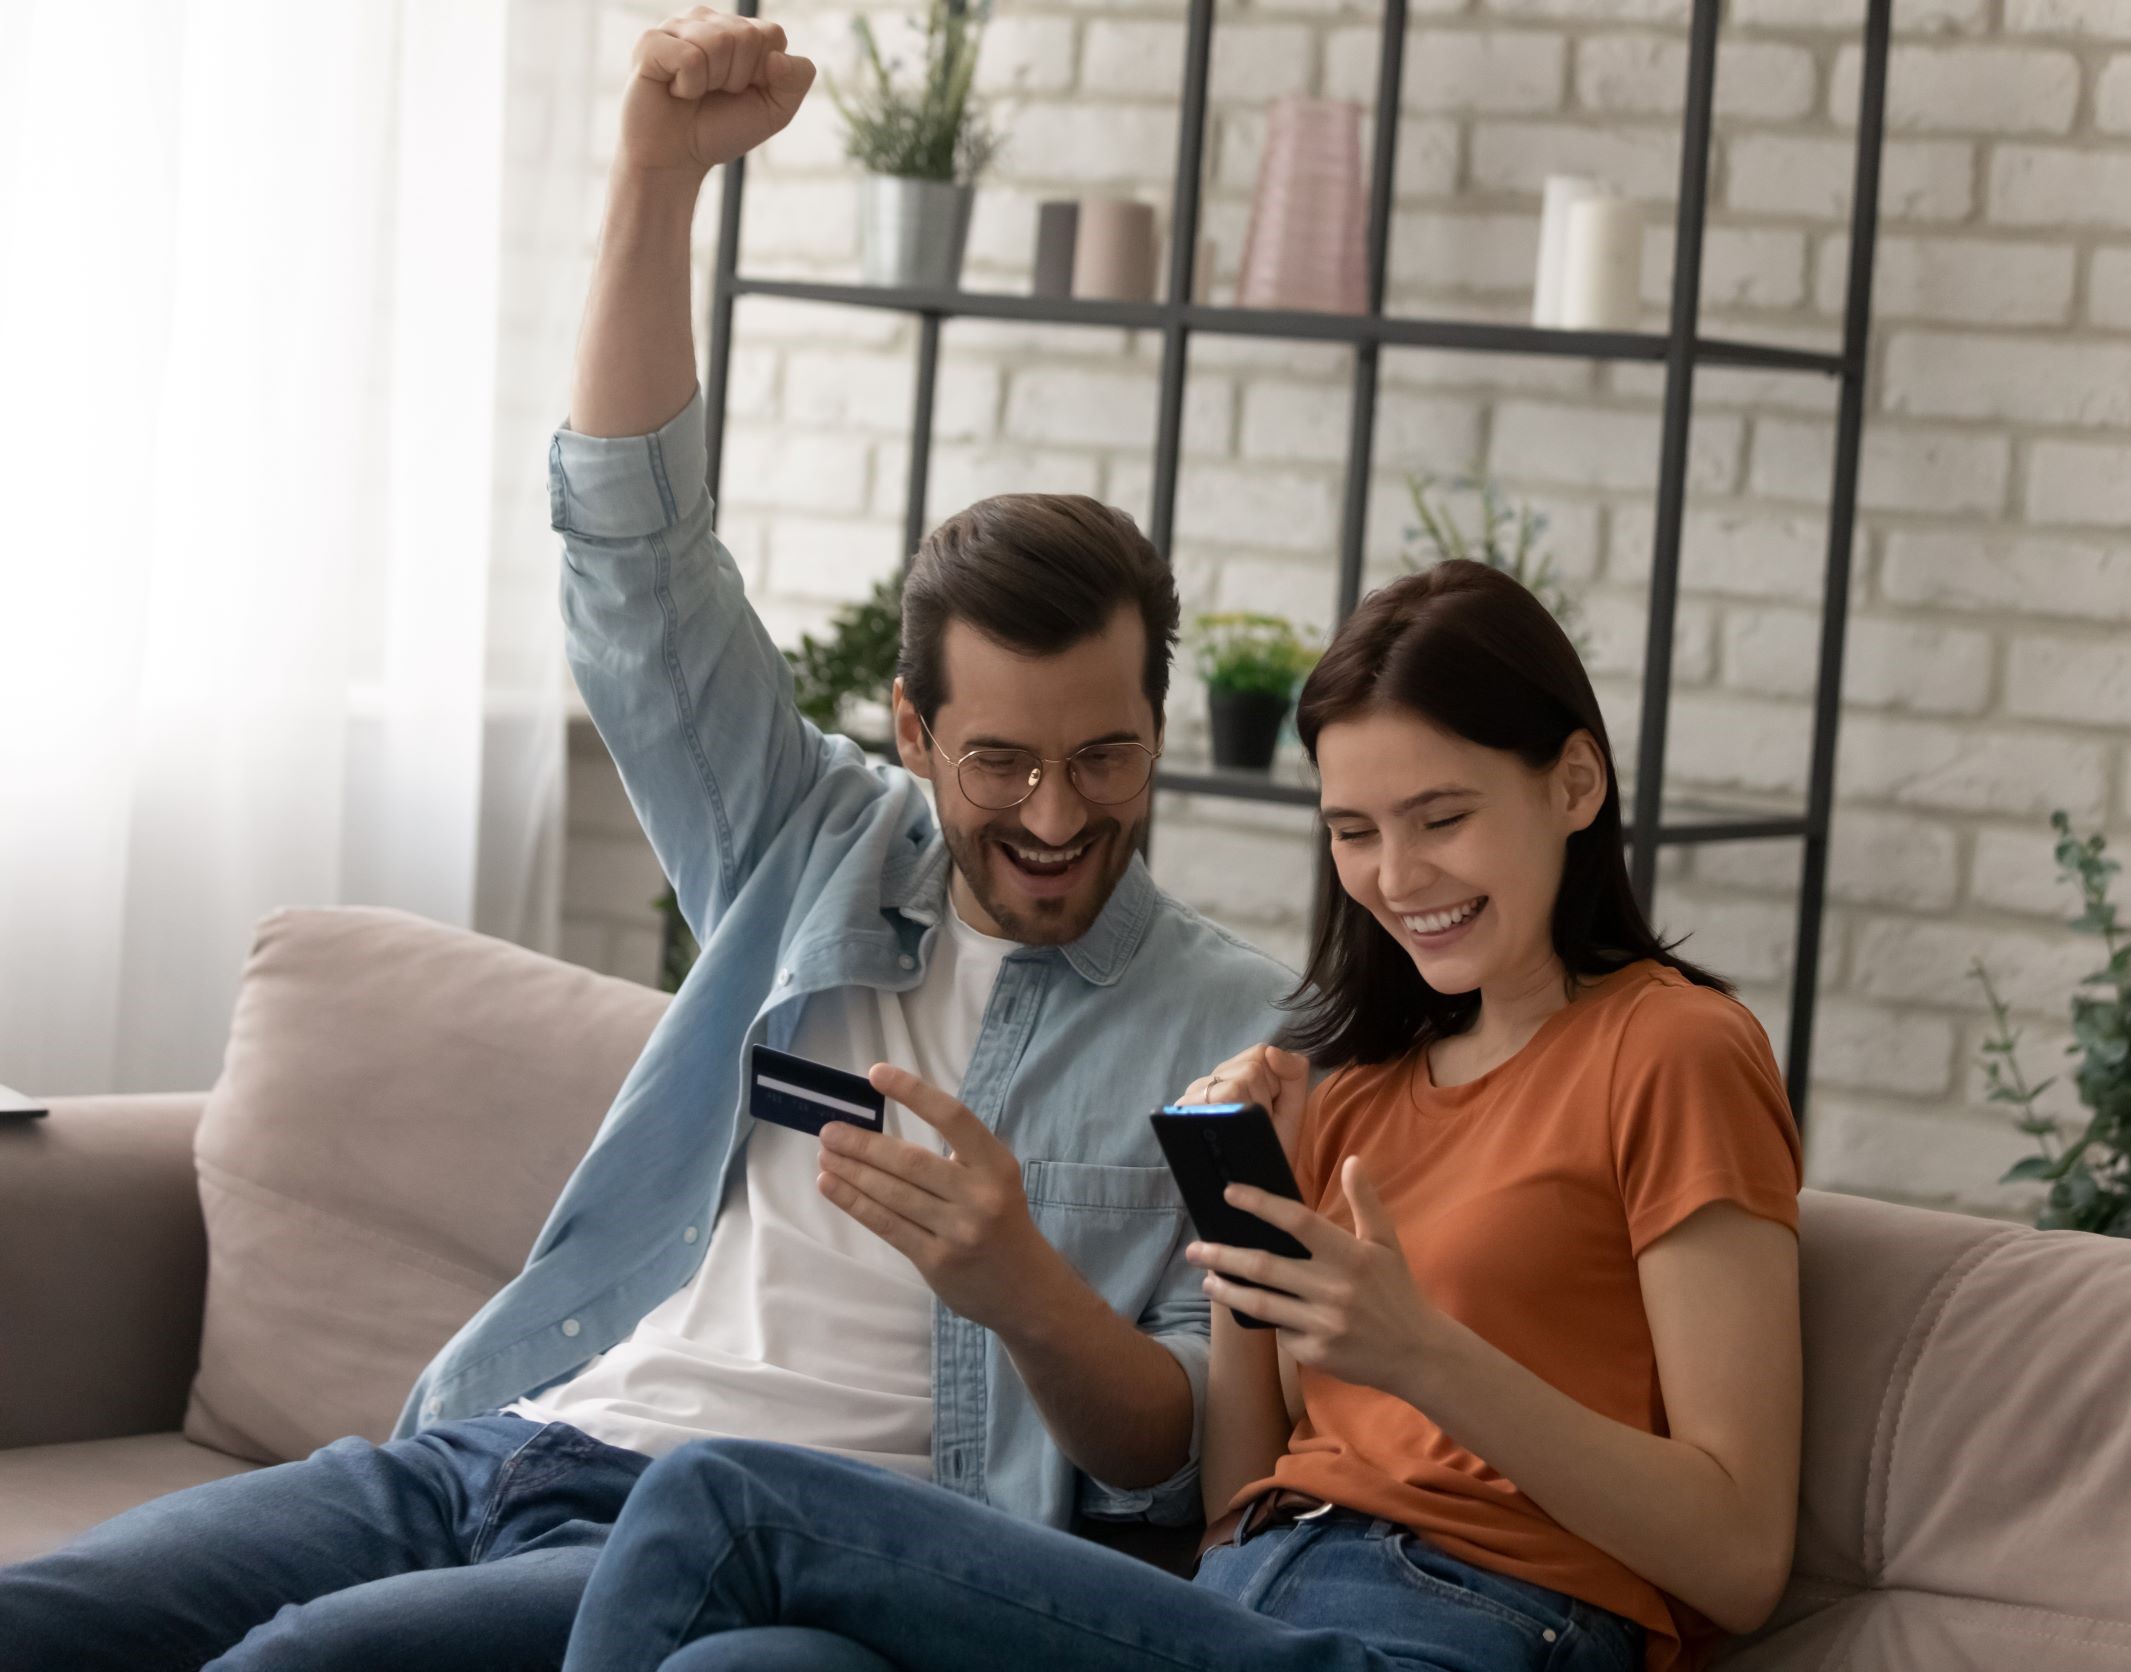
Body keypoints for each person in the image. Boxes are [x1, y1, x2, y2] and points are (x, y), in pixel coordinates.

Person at [0, 10, 1286, 1669]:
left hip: (779, 1539)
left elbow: (1184, 1443)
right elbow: (634, 568)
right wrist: (654, 176)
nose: (1057, 815)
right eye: (1001, 764)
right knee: (43, 1618)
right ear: (910, 732)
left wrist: (1019, 1276)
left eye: (1107, 755)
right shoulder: (805, 841)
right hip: (510, 1435)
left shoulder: (1232, 1029)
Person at [558, 559, 1807, 1672]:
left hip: (1470, 1625)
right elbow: (1232, 1502)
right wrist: (1235, 1210)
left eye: (1443, 818)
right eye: (1356, 833)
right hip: (1251, 1594)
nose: (1398, 878)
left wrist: (1422, 1352)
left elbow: (1740, 1554)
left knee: (724, 1501)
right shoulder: (1349, 1084)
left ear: (1575, 782)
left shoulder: (1675, 1049)